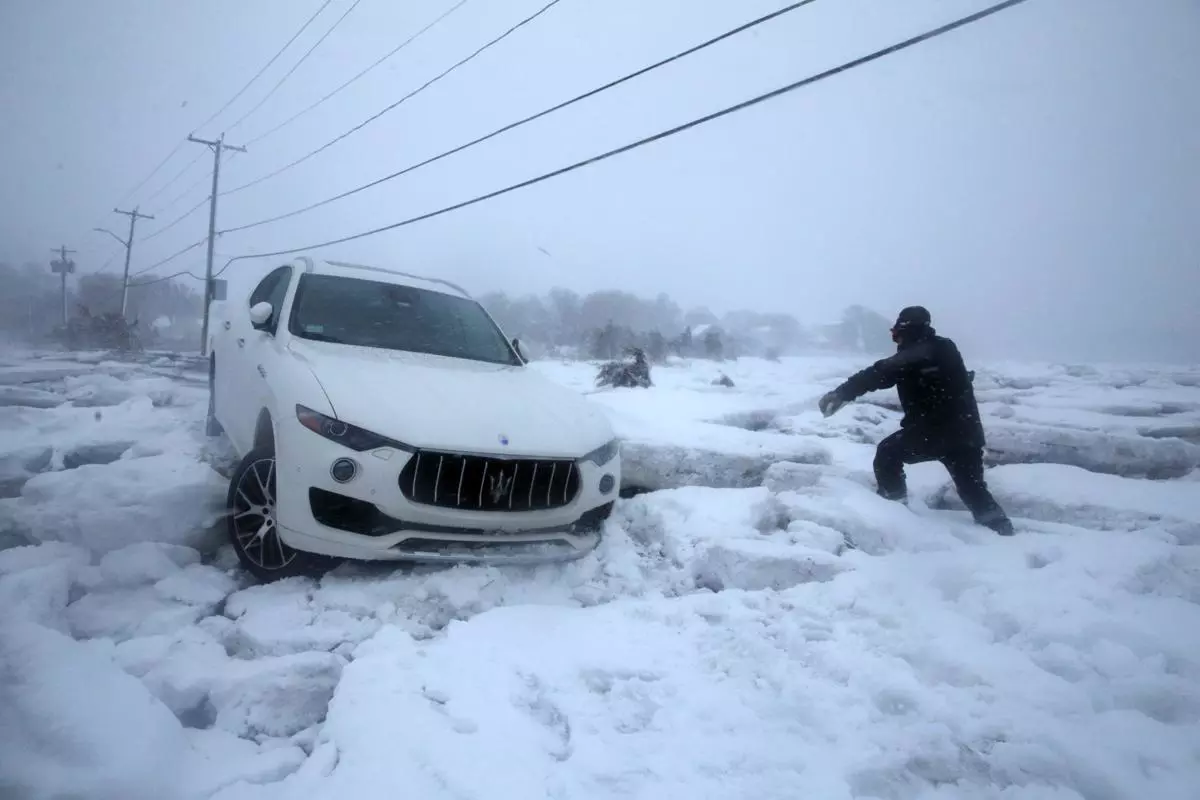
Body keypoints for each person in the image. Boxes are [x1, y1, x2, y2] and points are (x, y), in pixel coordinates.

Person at [818, 306, 1014, 536]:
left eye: (896, 332)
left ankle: (895, 512)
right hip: (966, 434)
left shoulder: (919, 353)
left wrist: (842, 393)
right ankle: (1001, 530)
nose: (895, 338)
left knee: (887, 454)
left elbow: (879, 372)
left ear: (906, 329)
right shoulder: (944, 348)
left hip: (933, 433)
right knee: (973, 488)